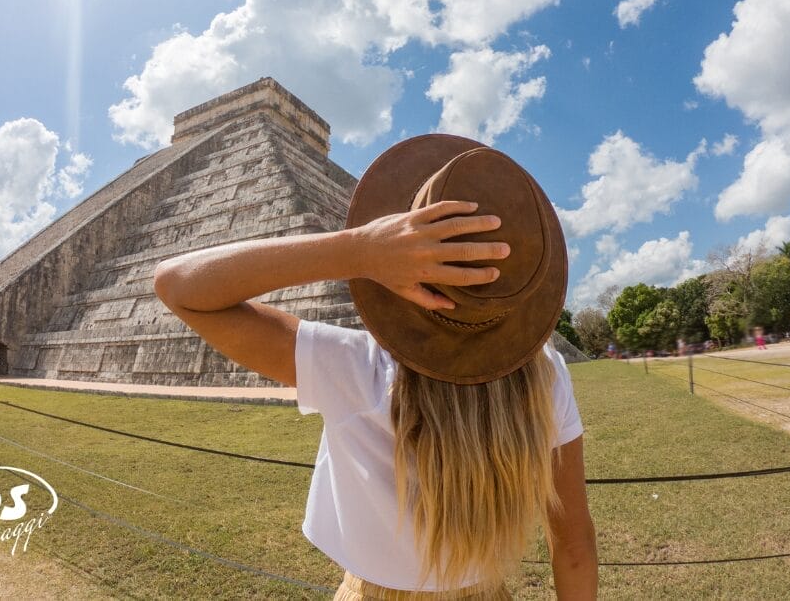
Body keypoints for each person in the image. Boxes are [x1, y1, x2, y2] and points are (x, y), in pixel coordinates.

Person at [154, 135, 598, 599]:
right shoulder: (546, 373)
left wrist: (360, 251)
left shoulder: (355, 366)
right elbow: (573, 546)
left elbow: (177, 285)